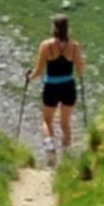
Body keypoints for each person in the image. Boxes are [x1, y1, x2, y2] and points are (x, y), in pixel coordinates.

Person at [27, 14, 84, 163]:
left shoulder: (46, 46)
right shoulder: (75, 46)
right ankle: (68, 158)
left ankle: (50, 146)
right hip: (68, 87)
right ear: (67, 28)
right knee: (65, 123)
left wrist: (29, 77)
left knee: (47, 120)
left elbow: (39, 70)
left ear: (53, 28)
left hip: (51, 87)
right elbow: (80, 70)